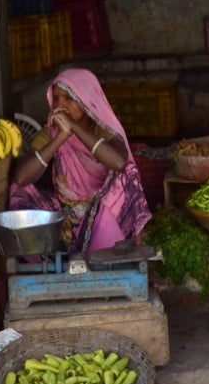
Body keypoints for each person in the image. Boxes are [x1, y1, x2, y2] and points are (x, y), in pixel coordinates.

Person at [9, 68, 152, 254]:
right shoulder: (50, 134)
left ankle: (108, 249)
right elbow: (21, 178)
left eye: (69, 98)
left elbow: (119, 162)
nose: (60, 104)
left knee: (128, 174)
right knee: (18, 189)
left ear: (86, 100)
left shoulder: (103, 130)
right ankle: (51, 253)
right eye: (56, 98)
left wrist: (74, 127)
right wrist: (61, 137)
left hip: (103, 216)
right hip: (67, 218)